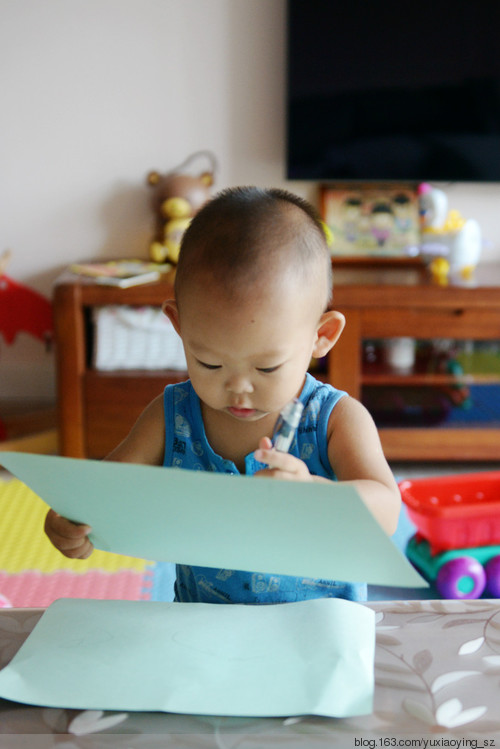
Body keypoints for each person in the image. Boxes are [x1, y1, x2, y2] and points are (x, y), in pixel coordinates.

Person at [45, 186, 401, 603]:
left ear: (321, 336)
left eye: (266, 367)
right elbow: (106, 491)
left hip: (315, 635)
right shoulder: (172, 415)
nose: (238, 387)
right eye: (209, 363)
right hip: (200, 629)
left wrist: (314, 495)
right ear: (179, 327)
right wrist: (70, 518)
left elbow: (388, 514)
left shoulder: (335, 419)